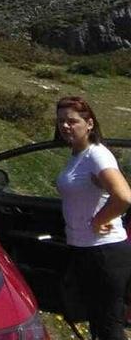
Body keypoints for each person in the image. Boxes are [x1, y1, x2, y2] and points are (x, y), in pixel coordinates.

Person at [54, 96, 131, 340]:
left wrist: (99, 220)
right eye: (61, 121)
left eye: (72, 121)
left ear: (89, 123)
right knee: (98, 322)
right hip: (85, 250)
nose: (65, 126)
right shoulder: (78, 155)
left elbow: (123, 196)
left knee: (109, 327)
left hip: (104, 252)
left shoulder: (97, 155)